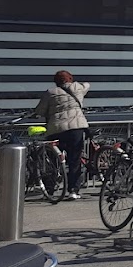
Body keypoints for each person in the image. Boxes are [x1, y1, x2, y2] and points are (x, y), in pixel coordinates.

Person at [33, 70, 90, 200]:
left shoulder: (50, 93)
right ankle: (73, 191)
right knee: (74, 160)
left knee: (52, 159)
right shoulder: (78, 88)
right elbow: (87, 85)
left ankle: (50, 189)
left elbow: (40, 110)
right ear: (70, 79)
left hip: (56, 129)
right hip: (76, 128)